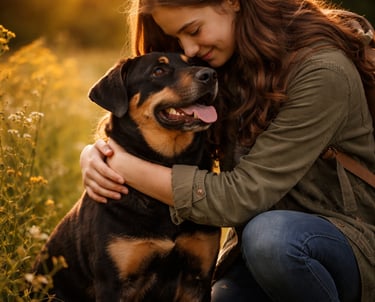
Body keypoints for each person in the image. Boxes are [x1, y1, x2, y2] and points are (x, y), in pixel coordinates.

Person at [80, 0, 375, 301]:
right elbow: (141, 114)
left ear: (232, 3)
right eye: (177, 39)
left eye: (193, 30)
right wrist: (95, 151)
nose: (190, 50)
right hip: (258, 255)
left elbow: (239, 198)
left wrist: (118, 164)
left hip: (349, 243)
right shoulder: (227, 62)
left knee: (271, 237)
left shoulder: (322, 70)